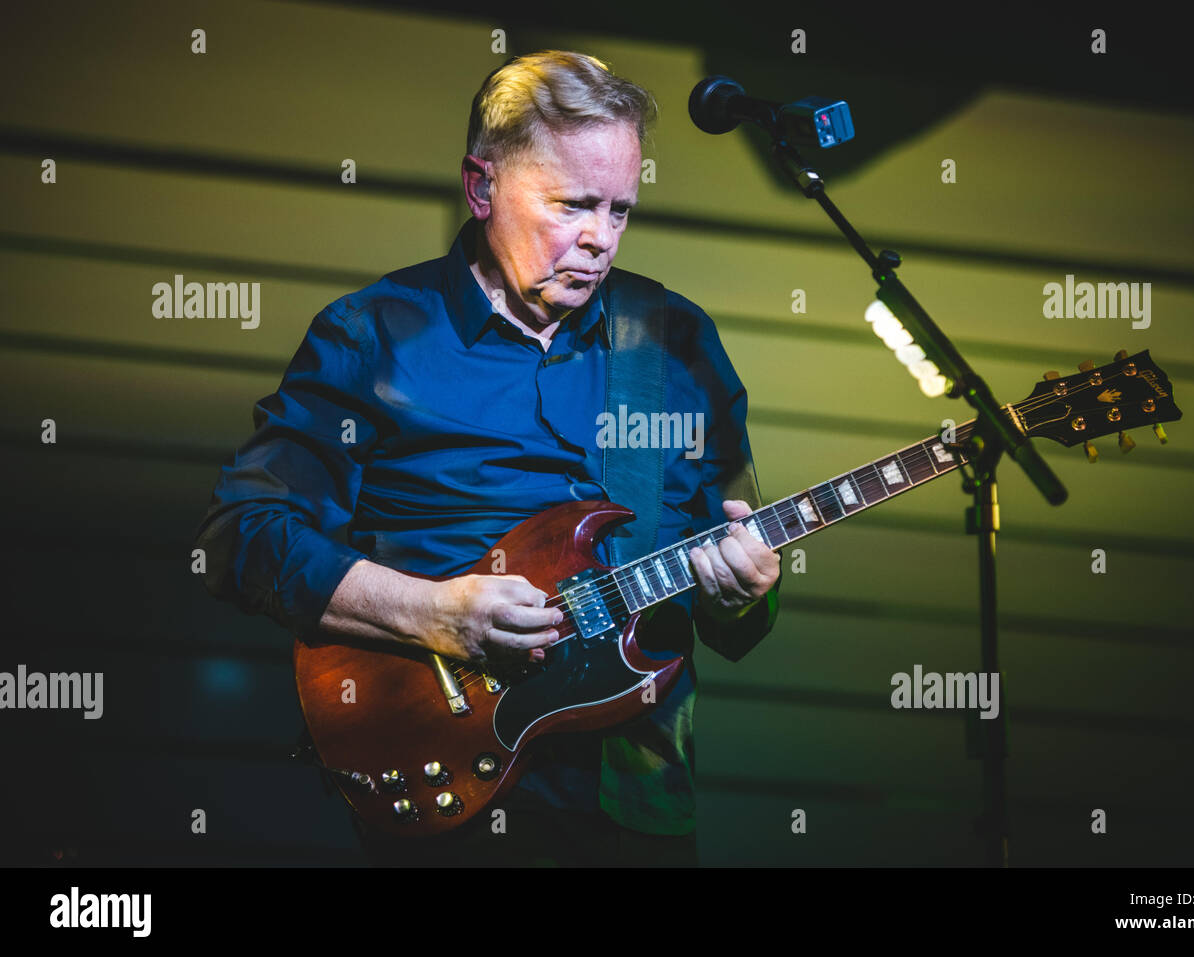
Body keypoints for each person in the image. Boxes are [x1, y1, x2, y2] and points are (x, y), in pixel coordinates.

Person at [194, 50, 781, 867]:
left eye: (619, 210)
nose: (598, 238)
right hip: (446, 789)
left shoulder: (677, 341)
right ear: (482, 187)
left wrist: (746, 587)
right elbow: (243, 534)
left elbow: (736, 595)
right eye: (573, 204)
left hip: (634, 797)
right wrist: (435, 613)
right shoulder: (374, 334)